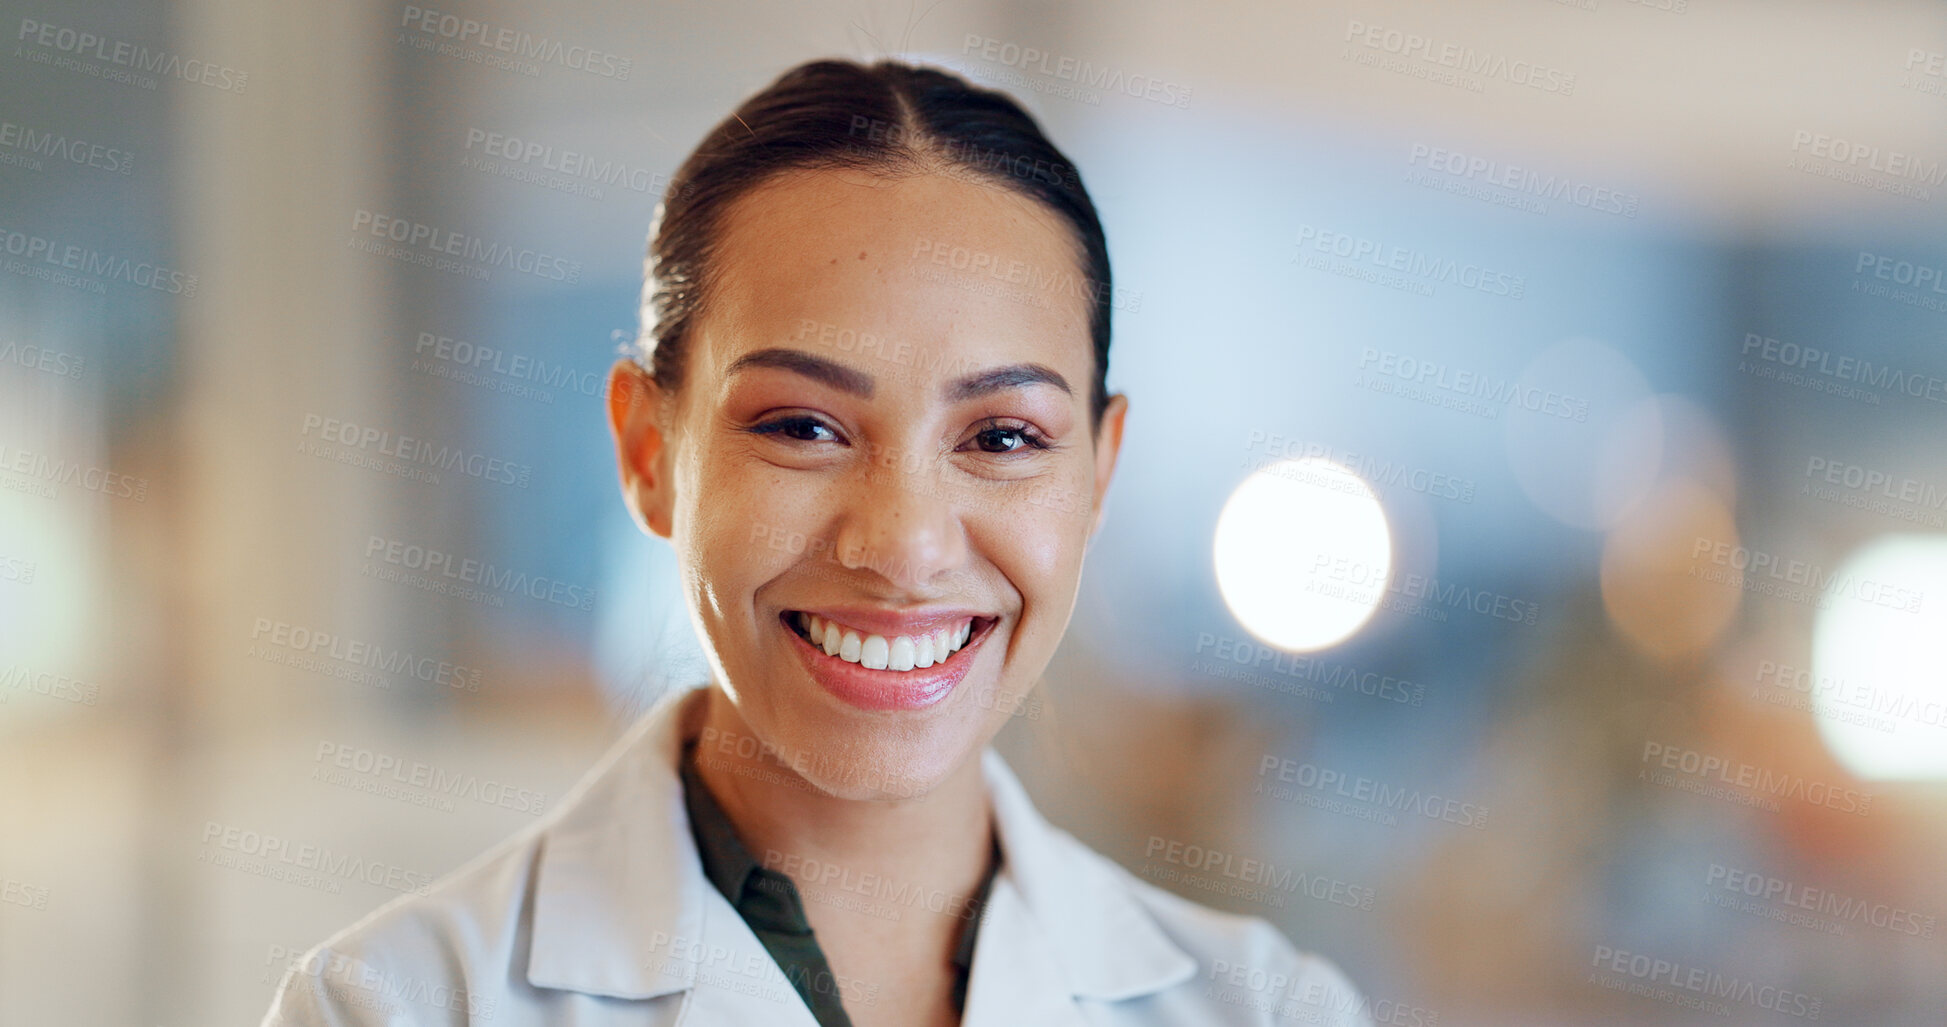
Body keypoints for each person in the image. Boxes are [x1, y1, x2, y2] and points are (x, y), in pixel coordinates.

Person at [262, 57, 1370, 1026]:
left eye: (1001, 435)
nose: (903, 545)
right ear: (650, 451)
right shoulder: (394, 1006)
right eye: (802, 426)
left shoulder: (1271, 1010)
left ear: (1098, 475)